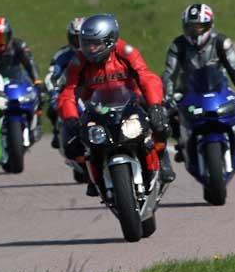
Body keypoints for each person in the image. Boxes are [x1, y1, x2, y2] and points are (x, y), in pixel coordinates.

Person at [58, 14, 175, 196]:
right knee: (72, 143)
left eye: (95, 43)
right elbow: (69, 91)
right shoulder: (79, 61)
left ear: (110, 40)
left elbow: (146, 77)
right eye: (86, 42)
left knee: (160, 123)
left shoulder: (126, 51)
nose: (89, 48)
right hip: (97, 107)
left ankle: (162, 158)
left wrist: (155, 106)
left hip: (131, 101)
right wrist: (71, 118)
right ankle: (92, 176)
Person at [162, 3, 235, 163]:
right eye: (190, 27)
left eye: (199, 27)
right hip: (188, 90)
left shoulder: (221, 42)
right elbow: (169, 73)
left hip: (219, 88)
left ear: (209, 26)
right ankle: (182, 143)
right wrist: (168, 96)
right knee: (169, 115)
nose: (194, 31)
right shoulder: (178, 45)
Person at [45, 17, 85, 149]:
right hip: (71, 89)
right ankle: (57, 133)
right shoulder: (62, 55)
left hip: (94, 89)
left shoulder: (98, 50)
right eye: (75, 38)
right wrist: (54, 92)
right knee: (53, 107)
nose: (79, 43)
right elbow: (51, 76)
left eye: (81, 38)